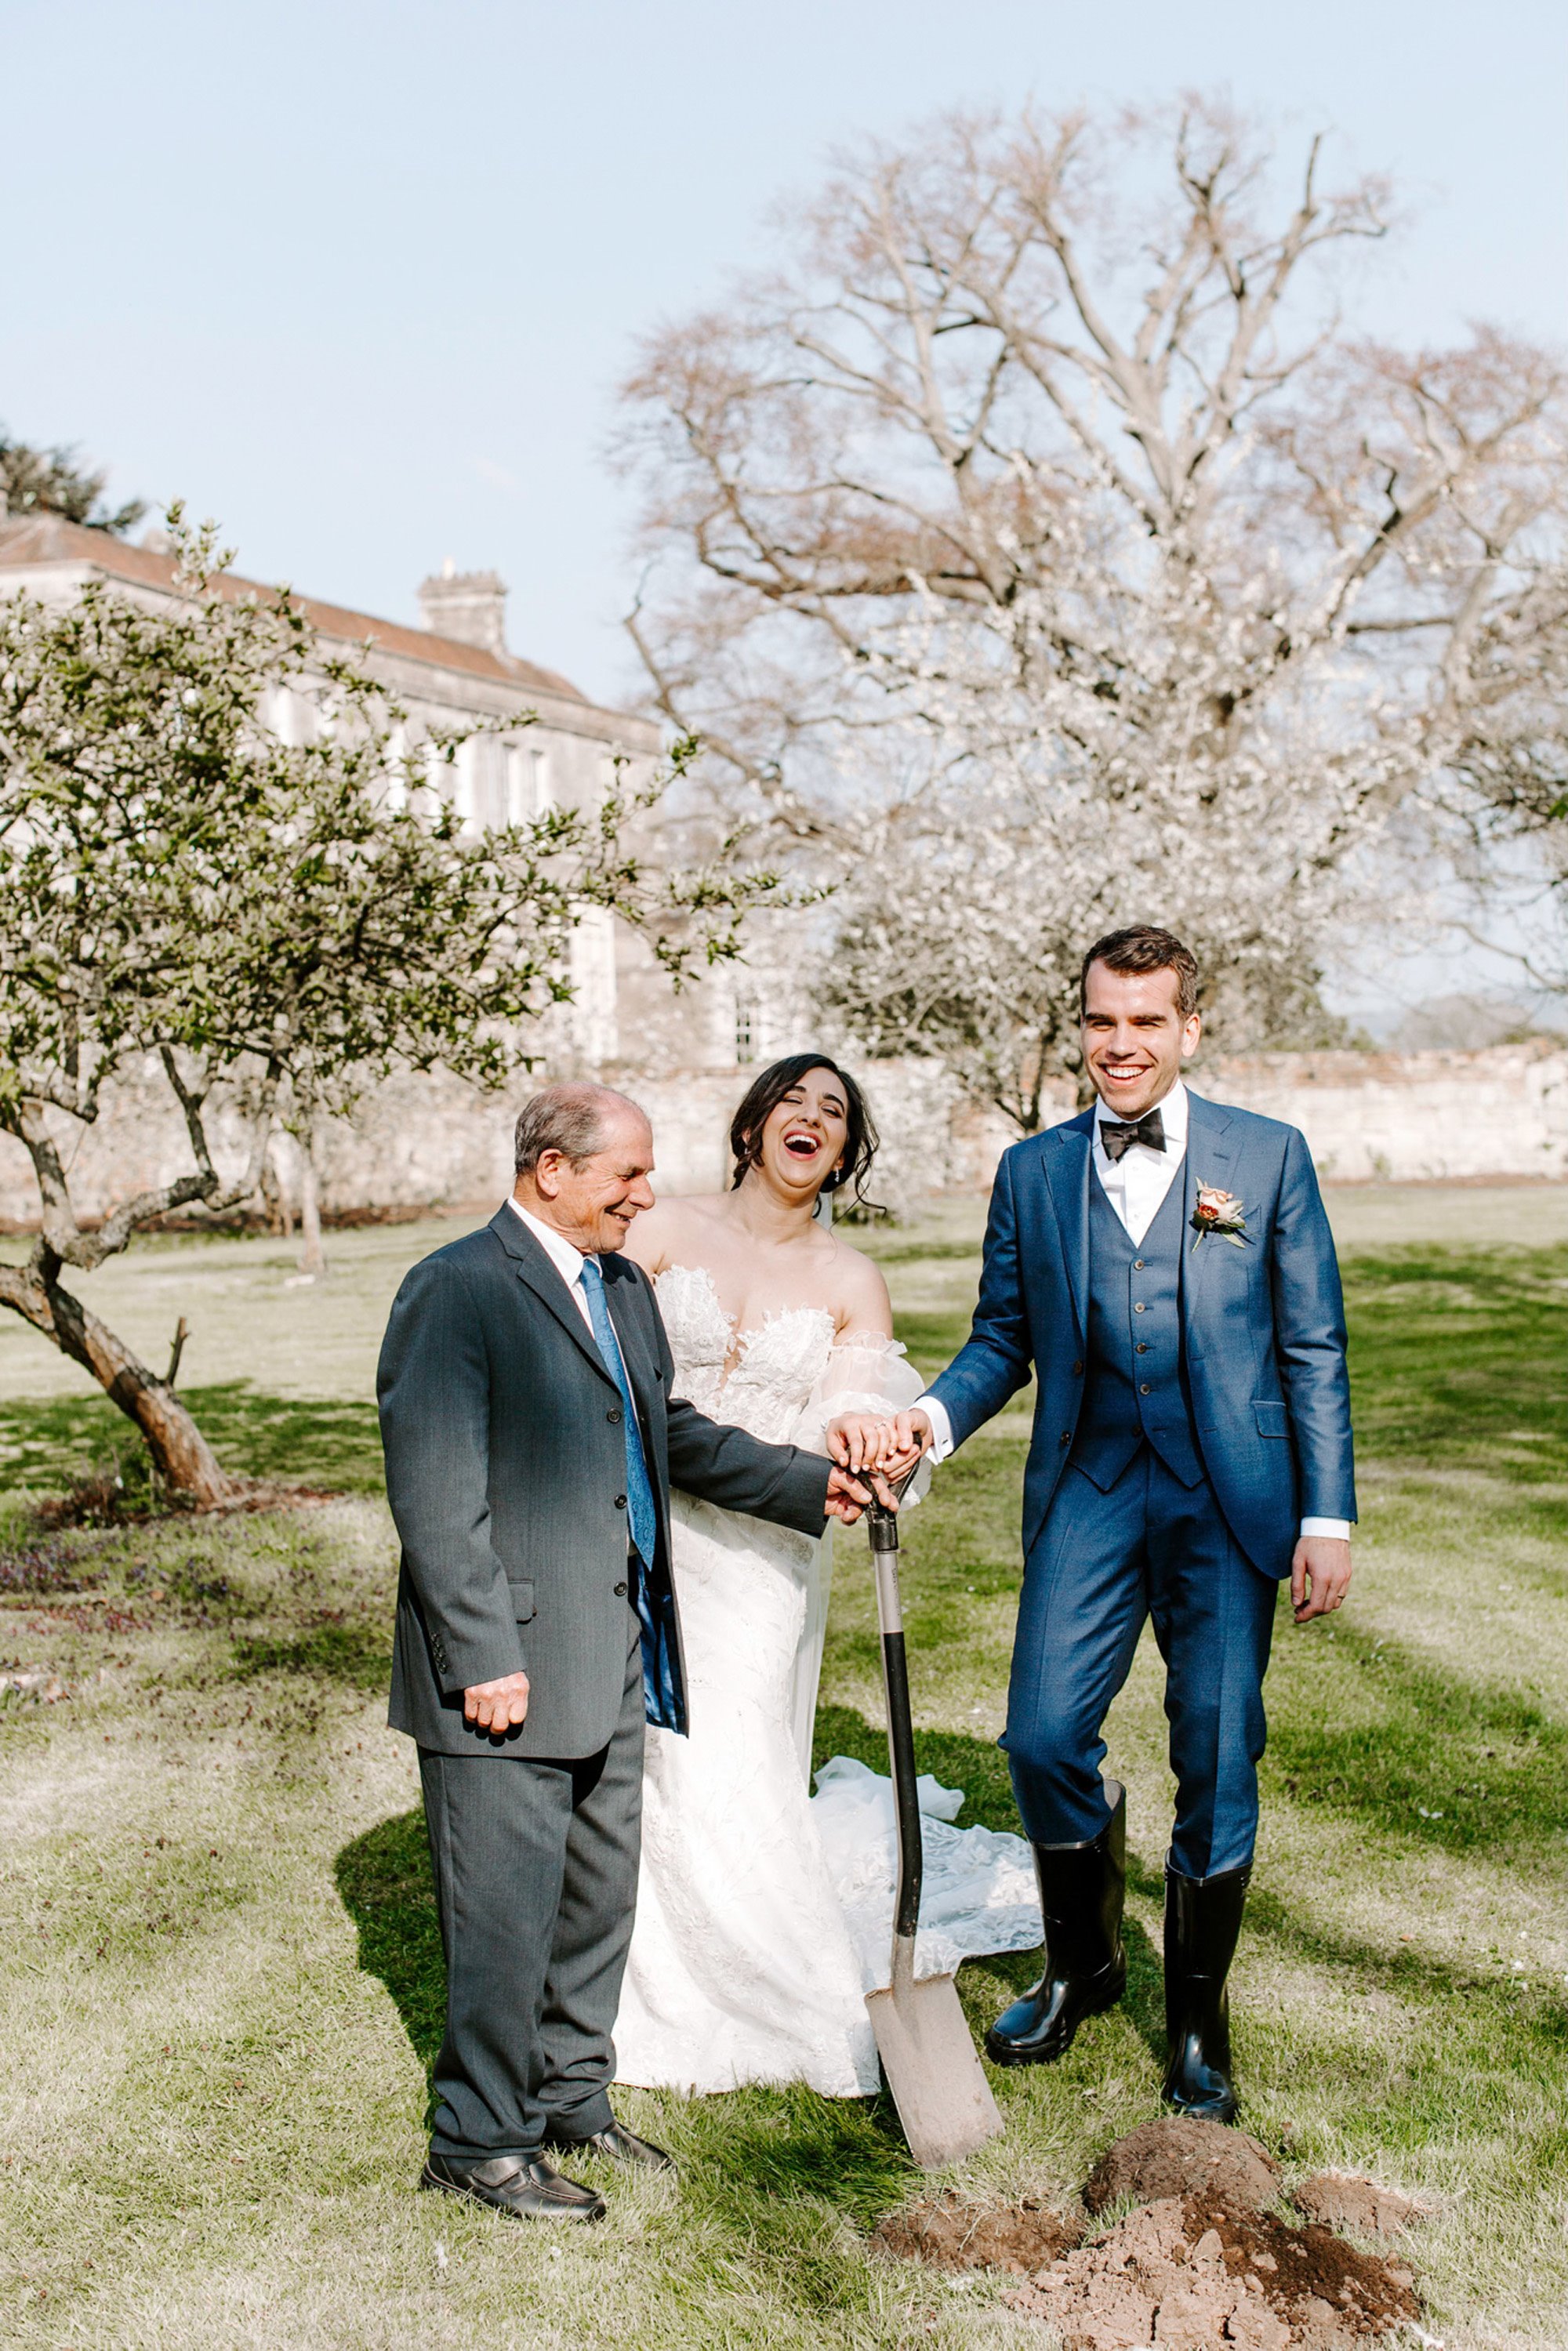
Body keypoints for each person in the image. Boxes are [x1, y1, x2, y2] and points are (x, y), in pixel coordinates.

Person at [866, 927, 1355, 2121]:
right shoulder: (1034, 1172)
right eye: (1101, 1021)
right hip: (1089, 1486)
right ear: (1078, 1025)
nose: (1120, 1045)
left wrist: (1327, 1513)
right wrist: (925, 1419)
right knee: (1038, 1739)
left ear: (1190, 1029)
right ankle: (1085, 1967)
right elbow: (1001, 1339)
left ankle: (1197, 2021)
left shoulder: (1268, 1158)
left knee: (1217, 1752)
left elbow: (1312, 1345)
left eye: (1146, 1022)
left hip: (1230, 1499)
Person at [376, 1083, 878, 2223]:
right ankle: (478, 2139)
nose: (647, 1198)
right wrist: (481, 1655)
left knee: (595, 1900)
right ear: (552, 1171)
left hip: (619, 1650)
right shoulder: (455, 1289)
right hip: (505, 1665)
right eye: (627, 1178)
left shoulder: (619, 1288)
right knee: (504, 1907)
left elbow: (672, 1435)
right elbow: (436, 1493)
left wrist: (812, 1484)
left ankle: (570, 2102)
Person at [615, 1053, 1044, 2097]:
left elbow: (851, 1402)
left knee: (730, 1747)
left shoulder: (850, 1280)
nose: (811, 1119)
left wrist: (868, 1435)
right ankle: (621, 1956)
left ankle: (761, 1973)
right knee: (639, 1754)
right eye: (793, 1102)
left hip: (763, 1550)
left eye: (834, 1112)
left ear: (846, 1149)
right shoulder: (661, 1229)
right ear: (755, 1123)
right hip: (645, 1523)